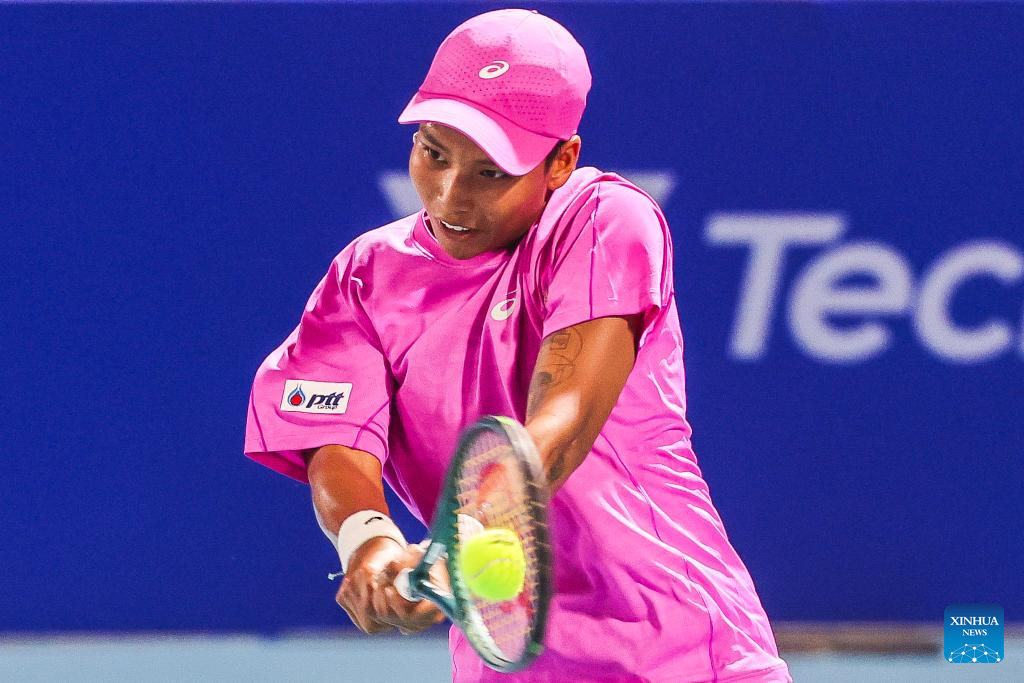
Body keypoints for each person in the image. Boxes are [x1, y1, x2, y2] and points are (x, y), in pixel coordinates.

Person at [244, 9, 792, 683]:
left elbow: (564, 418)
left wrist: (464, 536)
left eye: (491, 173)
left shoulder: (604, 220)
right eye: (433, 154)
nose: (451, 196)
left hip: (679, 652)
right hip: (502, 666)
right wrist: (368, 541)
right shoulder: (364, 275)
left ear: (561, 161)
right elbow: (338, 437)